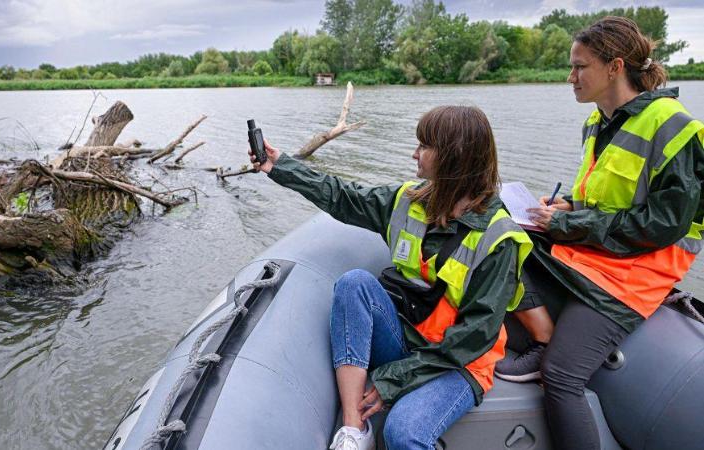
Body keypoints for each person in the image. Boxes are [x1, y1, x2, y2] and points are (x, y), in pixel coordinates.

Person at [250, 105, 532, 450]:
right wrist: (280, 166)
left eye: (424, 146)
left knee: (402, 433)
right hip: (409, 338)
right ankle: (354, 430)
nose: (415, 154)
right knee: (355, 283)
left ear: (454, 157)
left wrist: (391, 382)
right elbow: (342, 195)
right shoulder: (406, 201)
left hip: (460, 362)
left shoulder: (497, 238)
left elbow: (473, 337)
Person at [493, 16, 704, 450]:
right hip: (598, 253)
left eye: (579, 67)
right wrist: (567, 205)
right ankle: (540, 336)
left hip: (638, 273)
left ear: (615, 67)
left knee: (562, 376)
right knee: (499, 231)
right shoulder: (597, 123)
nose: (570, 77)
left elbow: (662, 226)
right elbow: (604, 197)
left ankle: (545, 351)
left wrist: (568, 223)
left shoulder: (673, 125)